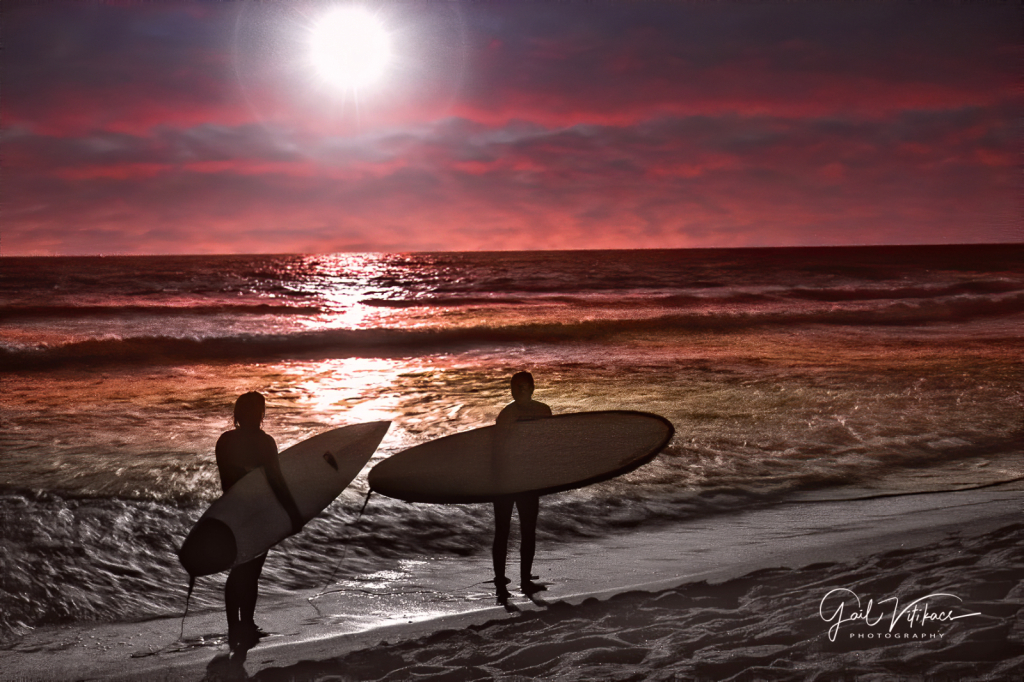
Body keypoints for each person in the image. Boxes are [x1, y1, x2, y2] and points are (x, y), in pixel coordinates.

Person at [215, 391, 304, 652]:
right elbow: (277, 481)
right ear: (258, 414)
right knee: (250, 571)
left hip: (233, 510)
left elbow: (227, 481)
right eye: (258, 411)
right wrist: (292, 514)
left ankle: (237, 626)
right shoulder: (265, 442)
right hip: (259, 511)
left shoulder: (225, 441)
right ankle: (245, 624)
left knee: (241, 569)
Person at [491, 371, 551, 599]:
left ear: (533, 388)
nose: (521, 391)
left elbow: (548, 444)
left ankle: (526, 581)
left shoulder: (543, 410)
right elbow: (496, 450)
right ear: (511, 390)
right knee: (502, 531)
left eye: (525, 386)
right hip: (504, 480)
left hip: (528, 479)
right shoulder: (505, 415)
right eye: (516, 387)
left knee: (528, 531)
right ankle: (500, 584)